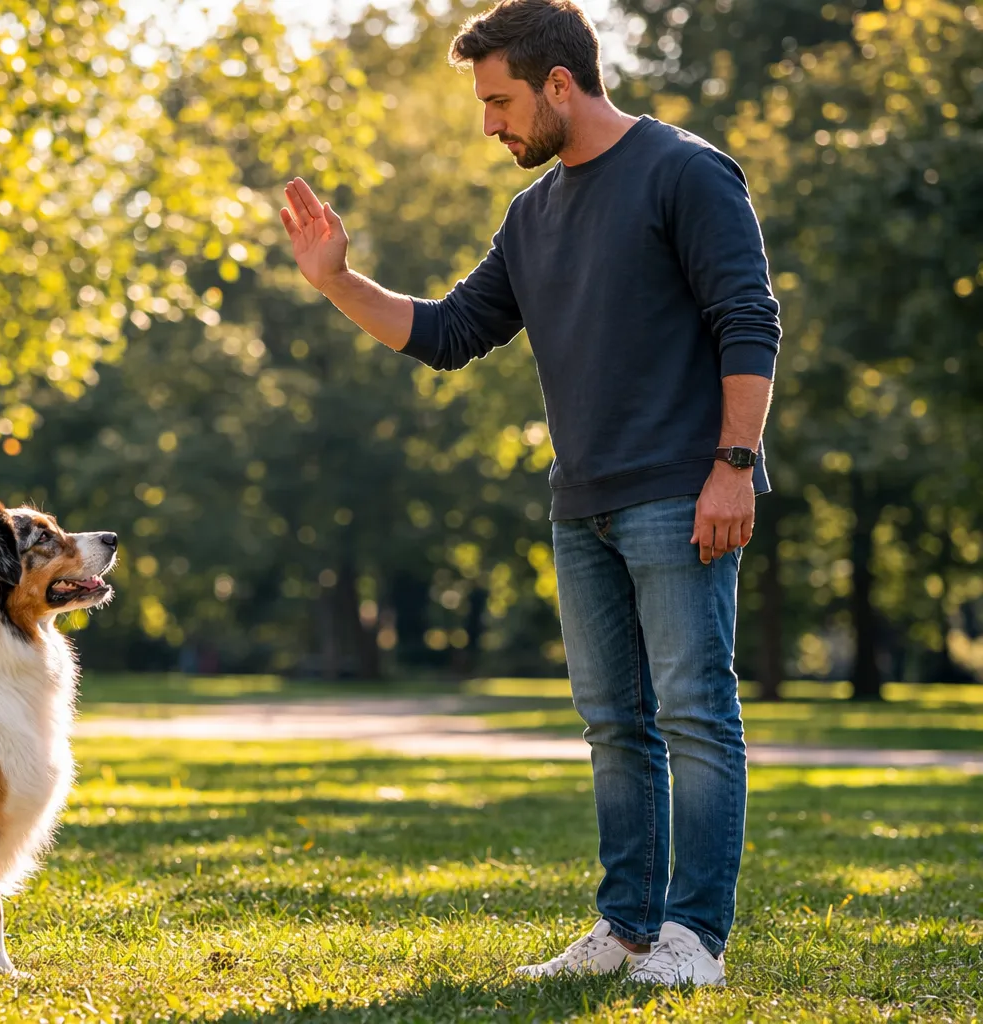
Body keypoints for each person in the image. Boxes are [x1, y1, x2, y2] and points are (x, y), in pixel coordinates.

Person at [280, 0, 780, 988]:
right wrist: (337, 281)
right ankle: (627, 929)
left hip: (680, 491)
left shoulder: (685, 171)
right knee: (613, 724)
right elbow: (449, 333)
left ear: (559, 83)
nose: (488, 125)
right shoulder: (532, 215)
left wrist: (734, 465)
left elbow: (747, 319)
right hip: (581, 503)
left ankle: (694, 938)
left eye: (500, 101)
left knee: (693, 712)